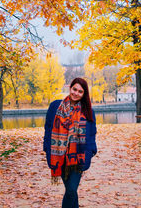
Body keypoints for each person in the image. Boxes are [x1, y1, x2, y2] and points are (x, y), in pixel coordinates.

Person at [43, 77, 97, 208]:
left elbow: (92, 133)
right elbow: (48, 128)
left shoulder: (88, 111)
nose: (76, 93)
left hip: (78, 157)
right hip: (60, 156)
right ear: (70, 88)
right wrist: (47, 149)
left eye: (80, 91)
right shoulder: (55, 106)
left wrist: (91, 151)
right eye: (74, 89)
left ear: (84, 94)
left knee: (71, 190)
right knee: (71, 191)